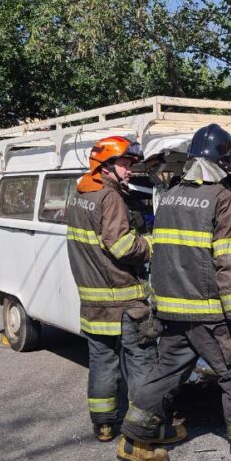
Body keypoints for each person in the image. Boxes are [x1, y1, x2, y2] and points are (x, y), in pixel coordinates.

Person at [118, 123, 231, 461]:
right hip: (210, 313)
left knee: (165, 374)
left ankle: (135, 441)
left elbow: (161, 253)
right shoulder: (222, 200)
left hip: (171, 310)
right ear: (223, 162)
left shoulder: (170, 198)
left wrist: (156, 305)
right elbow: (229, 261)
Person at [66, 136, 157, 441]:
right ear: (104, 167)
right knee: (141, 362)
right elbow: (123, 247)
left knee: (102, 363)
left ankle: (104, 425)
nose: (129, 170)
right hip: (124, 302)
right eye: (124, 164)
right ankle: (143, 428)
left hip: (92, 303)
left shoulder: (78, 195)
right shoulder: (110, 198)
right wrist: (152, 244)